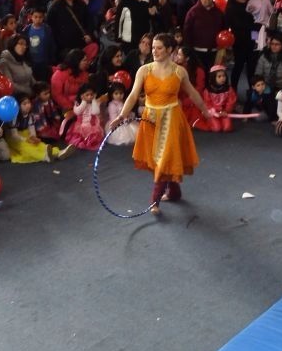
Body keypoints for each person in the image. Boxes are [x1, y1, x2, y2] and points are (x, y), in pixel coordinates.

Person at [108, 33, 212, 216]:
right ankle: (174, 191)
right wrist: (121, 115)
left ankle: (154, 200)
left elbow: (193, 93)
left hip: (172, 118)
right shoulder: (144, 70)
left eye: (159, 48)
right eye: (153, 47)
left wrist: (204, 109)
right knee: (160, 157)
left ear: (170, 49)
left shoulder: (179, 72)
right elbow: (133, 95)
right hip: (151, 119)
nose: (154, 51)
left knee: (164, 157)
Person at [64, 83, 105, 150]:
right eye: (87, 95)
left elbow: (95, 112)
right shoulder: (78, 103)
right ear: (82, 95)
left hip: (92, 125)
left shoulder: (95, 102)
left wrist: (94, 100)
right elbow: (77, 112)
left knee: (94, 136)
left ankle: (89, 142)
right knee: (78, 137)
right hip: (80, 125)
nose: (89, 97)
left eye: (91, 95)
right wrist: (83, 102)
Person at [198, 65, 237, 132]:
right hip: (213, 113)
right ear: (213, 78)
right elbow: (207, 102)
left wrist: (226, 111)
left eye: (224, 76)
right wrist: (214, 111)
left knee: (227, 128)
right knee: (216, 128)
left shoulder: (229, 89)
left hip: (224, 112)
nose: (222, 78)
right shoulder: (208, 90)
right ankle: (208, 121)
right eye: (219, 76)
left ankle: (222, 121)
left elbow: (231, 101)